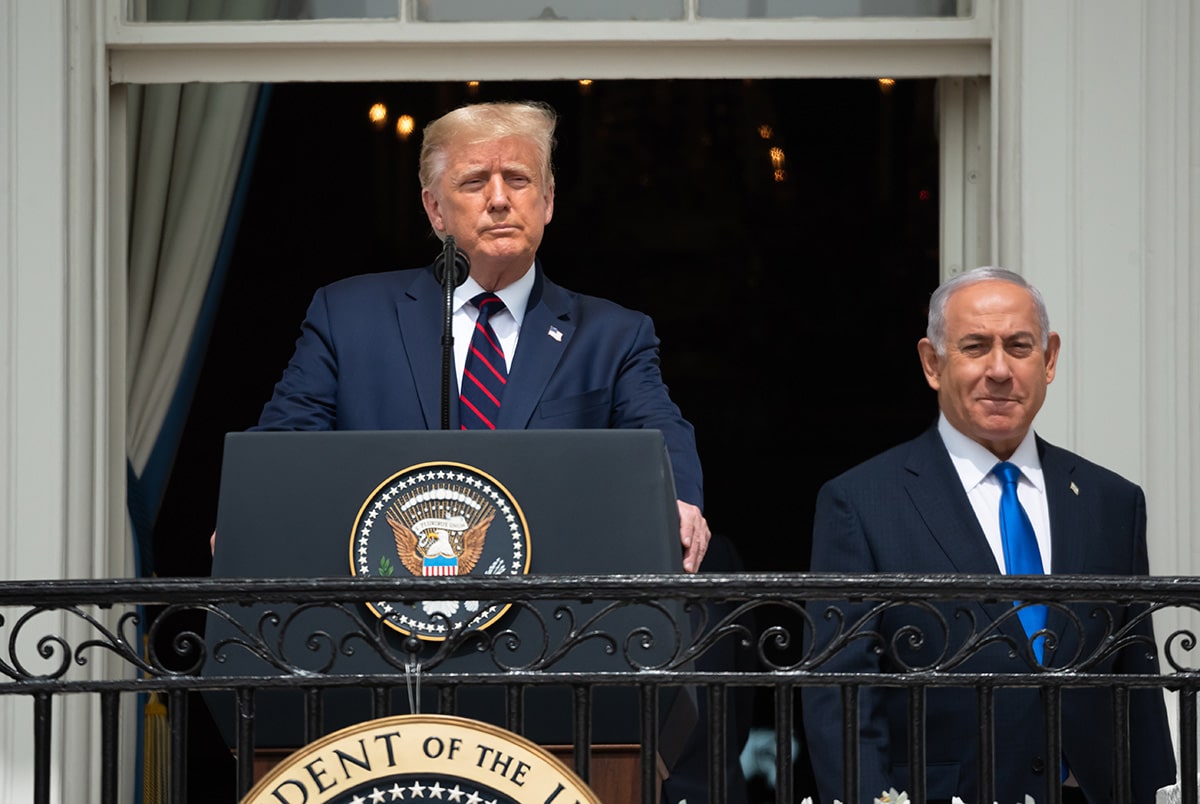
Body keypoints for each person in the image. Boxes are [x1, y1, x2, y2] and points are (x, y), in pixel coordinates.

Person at [231, 100, 710, 572]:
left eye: (518, 180)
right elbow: (285, 441)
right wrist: (251, 514)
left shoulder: (612, 335)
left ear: (547, 202)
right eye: (475, 181)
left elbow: (659, 434)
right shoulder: (348, 315)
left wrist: (679, 499)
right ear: (435, 209)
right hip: (386, 610)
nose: (499, 198)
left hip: (551, 617)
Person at [800, 267, 1176, 803]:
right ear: (933, 363)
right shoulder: (862, 502)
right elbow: (841, 695)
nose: (999, 370)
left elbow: (1135, 682)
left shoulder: (1110, 499)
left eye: (1019, 347)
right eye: (975, 346)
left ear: (1048, 360)